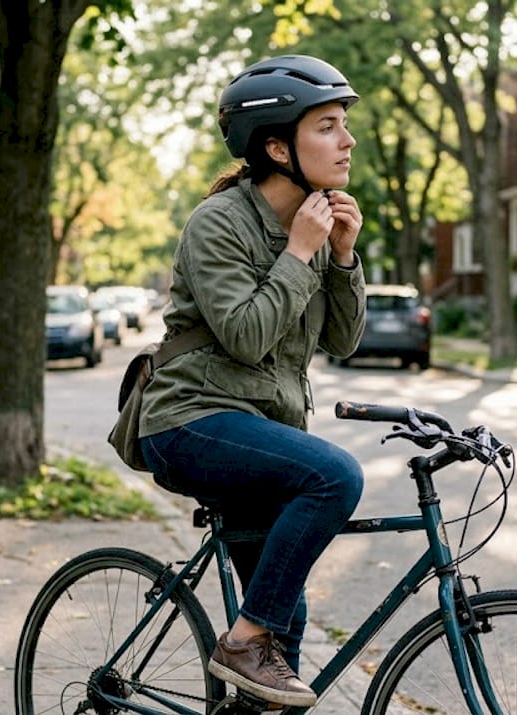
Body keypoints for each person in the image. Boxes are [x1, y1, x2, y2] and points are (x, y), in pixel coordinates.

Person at [138, 54, 367, 708]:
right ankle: (242, 641)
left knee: (283, 643)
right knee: (335, 476)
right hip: (188, 421)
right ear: (277, 146)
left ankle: (251, 656)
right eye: (328, 126)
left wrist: (342, 256)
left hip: (259, 436)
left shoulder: (318, 227)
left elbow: (343, 341)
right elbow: (245, 335)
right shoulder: (219, 223)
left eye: (343, 125)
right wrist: (298, 253)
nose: (347, 141)